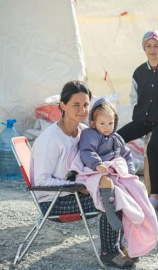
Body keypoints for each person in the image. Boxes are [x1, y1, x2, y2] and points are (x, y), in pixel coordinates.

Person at [31, 81, 134, 268]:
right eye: (76, 104)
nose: (82, 109)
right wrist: (80, 188)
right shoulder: (50, 140)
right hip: (54, 201)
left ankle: (119, 246)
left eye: (85, 104)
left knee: (120, 191)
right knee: (112, 199)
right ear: (62, 105)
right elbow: (40, 181)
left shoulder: (82, 131)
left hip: (75, 190)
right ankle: (109, 252)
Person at [117, 30, 158, 209]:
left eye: (156, 46)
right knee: (116, 138)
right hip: (145, 118)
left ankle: (153, 195)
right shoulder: (139, 72)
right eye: (149, 46)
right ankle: (116, 182)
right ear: (144, 48)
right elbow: (133, 97)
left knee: (153, 147)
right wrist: (139, 111)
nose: (152, 49)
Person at [79, 97, 136, 231]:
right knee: (107, 183)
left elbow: (126, 154)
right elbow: (86, 150)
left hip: (113, 170)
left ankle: (135, 209)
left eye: (110, 123)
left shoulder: (116, 138)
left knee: (135, 185)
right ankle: (109, 208)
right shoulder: (90, 134)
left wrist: (130, 172)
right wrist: (97, 164)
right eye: (102, 123)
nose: (107, 127)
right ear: (93, 123)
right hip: (97, 169)